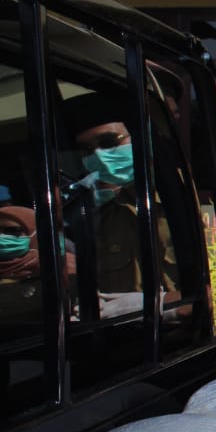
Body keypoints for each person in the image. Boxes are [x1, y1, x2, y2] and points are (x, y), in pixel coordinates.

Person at [63, 91, 179, 318]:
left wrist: (166, 305)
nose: (99, 156)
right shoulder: (94, 216)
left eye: (108, 142)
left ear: (143, 137)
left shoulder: (186, 200)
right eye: (88, 150)